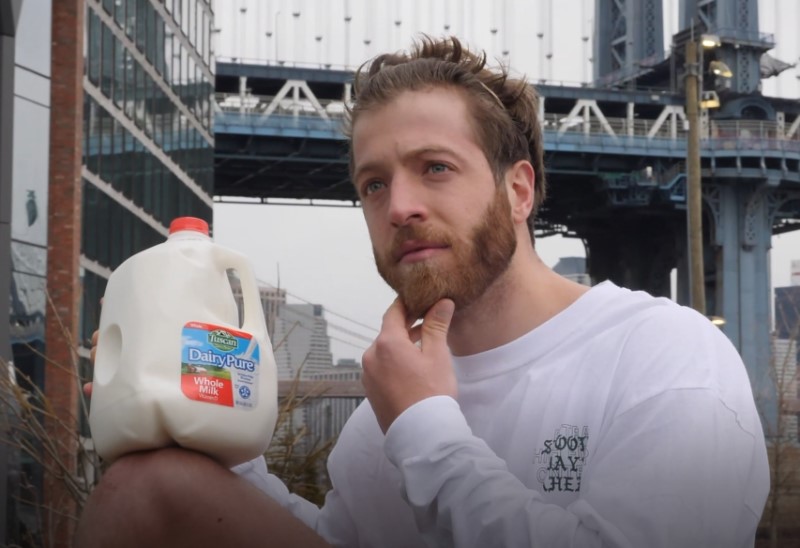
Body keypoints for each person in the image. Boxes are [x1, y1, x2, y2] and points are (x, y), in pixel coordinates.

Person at [75, 36, 769, 547]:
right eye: (374, 184)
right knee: (149, 484)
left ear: (519, 189)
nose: (399, 205)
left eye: (435, 168)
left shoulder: (665, 358)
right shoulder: (386, 405)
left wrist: (425, 427)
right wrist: (217, 440)